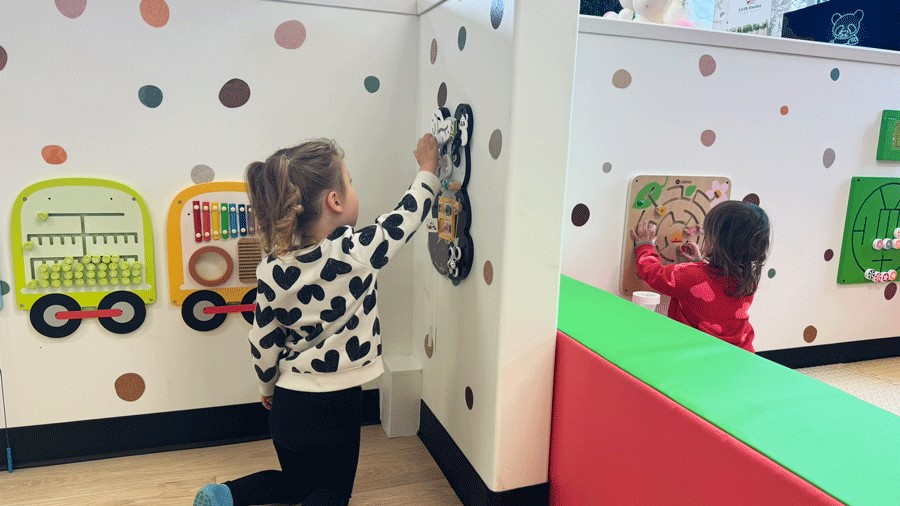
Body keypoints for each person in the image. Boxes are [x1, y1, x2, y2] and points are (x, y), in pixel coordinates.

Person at [194, 134, 440, 506]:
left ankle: (224, 495)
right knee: (332, 493)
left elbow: (262, 339)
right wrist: (427, 170)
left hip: (289, 404)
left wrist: (266, 387)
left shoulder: (272, 269)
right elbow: (404, 219)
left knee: (295, 483)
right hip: (337, 406)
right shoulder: (356, 252)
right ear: (335, 201)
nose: (354, 188)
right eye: (350, 182)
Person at [631, 200, 770, 352]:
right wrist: (700, 263)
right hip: (739, 353)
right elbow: (716, 292)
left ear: (715, 241)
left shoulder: (690, 276)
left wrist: (645, 246)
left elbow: (654, 274)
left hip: (697, 353)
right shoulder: (748, 280)